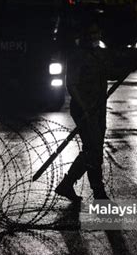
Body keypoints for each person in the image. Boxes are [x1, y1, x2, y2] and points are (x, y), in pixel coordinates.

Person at [55, 20, 129, 202]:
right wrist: (84, 107)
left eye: (96, 33)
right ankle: (98, 192)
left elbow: (109, 73)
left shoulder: (101, 54)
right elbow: (71, 85)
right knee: (93, 149)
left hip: (99, 108)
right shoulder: (76, 56)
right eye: (90, 33)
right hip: (83, 109)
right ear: (83, 35)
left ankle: (68, 185)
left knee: (93, 149)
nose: (93, 37)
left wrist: (126, 68)